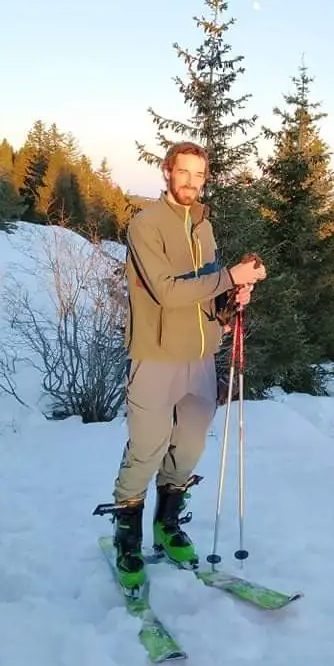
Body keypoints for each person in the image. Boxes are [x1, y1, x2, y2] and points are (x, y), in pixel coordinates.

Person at [109, 140, 266, 589]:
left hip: (200, 356)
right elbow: (168, 292)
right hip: (156, 355)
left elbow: (206, 289)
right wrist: (228, 277)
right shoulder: (146, 225)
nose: (192, 183)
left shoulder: (204, 226)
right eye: (184, 173)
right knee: (147, 447)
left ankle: (168, 524)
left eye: (199, 176)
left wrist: (234, 293)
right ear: (167, 172)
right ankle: (126, 536)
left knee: (190, 448)